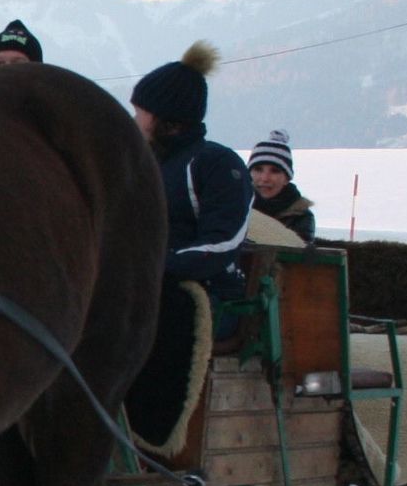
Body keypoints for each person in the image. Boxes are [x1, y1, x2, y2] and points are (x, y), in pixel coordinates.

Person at [131, 40, 251, 303]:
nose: (134, 121)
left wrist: (153, 267)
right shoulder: (145, 164)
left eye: (141, 112)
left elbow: (224, 243)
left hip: (204, 295)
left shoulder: (217, 164)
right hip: (145, 287)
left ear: (168, 120)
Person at [248, 130, 316, 242]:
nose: (265, 178)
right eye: (258, 169)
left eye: (274, 171)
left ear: (287, 179)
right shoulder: (234, 206)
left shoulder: (300, 217)